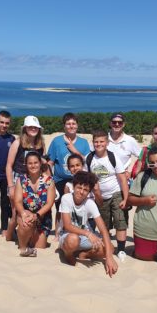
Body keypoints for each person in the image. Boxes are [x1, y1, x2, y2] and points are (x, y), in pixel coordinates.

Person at [59, 171, 118, 277]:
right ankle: (68, 255)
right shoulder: (66, 198)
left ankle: (84, 254)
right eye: (79, 187)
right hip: (69, 235)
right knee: (73, 239)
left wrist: (109, 257)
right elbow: (67, 225)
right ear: (73, 186)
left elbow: (103, 230)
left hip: (85, 237)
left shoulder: (90, 203)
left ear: (89, 192)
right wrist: (89, 234)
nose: (81, 192)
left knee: (110, 249)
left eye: (85, 190)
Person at [86, 130, 129, 261]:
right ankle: (108, 245)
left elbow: (122, 179)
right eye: (96, 142)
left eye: (101, 141)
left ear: (107, 143)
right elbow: (87, 177)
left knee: (120, 221)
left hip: (116, 193)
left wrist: (125, 198)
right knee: (104, 224)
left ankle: (121, 250)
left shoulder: (113, 157)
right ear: (93, 143)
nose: (98, 144)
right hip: (99, 196)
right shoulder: (89, 158)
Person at [47, 112, 90, 238]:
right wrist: (50, 180)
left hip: (78, 180)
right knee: (60, 207)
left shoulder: (83, 142)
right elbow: (50, 162)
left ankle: (75, 229)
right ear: (64, 126)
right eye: (68, 123)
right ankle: (57, 232)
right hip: (60, 180)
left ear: (77, 125)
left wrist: (73, 149)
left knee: (77, 207)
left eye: (73, 123)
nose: (71, 126)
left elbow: (87, 161)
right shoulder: (56, 141)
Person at [5, 115, 46, 241]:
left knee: (30, 209)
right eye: (30, 127)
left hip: (33, 180)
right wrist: (11, 186)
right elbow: (9, 165)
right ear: (25, 128)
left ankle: (27, 234)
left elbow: (42, 164)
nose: (33, 129)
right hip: (18, 178)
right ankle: (9, 235)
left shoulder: (40, 144)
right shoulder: (17, 143)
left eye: (35, 127)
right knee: (15, 212)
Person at [14, 151, 55, 257]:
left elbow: (50, 203)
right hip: (25, 213)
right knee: (27, 222)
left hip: (42, 217)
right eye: (30, 163)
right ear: (26, 165)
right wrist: (23, 213)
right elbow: (17, 201)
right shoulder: (21, 180)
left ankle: (24, 234)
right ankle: (23, 248)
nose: (33, 165)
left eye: (36, 162)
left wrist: (36, 215)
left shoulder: (49, 181)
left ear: (40, 163)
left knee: (40, 246)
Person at [107, 112, 141, 180]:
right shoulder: (103, 139)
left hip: (123, 180)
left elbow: (141, 156)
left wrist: (130, 170)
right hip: (105, 179)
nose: (117, 124)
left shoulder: (130, 140)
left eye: (120, 122)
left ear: (123, 124)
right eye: (114, 122)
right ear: (110, 123)